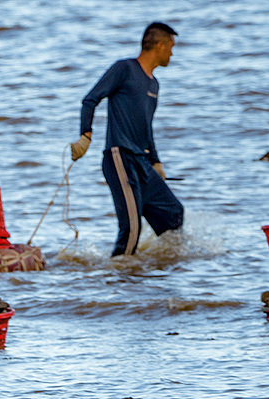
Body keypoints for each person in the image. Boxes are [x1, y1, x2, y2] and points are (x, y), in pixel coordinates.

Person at [70, 22, 184, 258]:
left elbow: (146, 127)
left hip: (142, 162)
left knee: (173, 212)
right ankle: (119, 277)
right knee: (131, 228)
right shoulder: (124, 69)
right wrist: (85, 136)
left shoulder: (154, 84)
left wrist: (156, 161)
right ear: (160, 45)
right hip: (119, 157)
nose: (172, 53)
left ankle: (161, 267)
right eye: (171, 47)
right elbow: (90, 99)